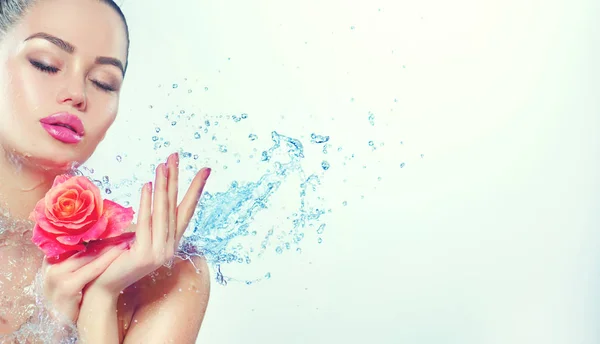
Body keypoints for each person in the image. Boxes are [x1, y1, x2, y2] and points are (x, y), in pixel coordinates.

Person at [0, 0, 211, 342]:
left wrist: (100, 298)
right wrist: (52, 324)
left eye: (103, 82)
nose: (77, 94)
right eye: (46, 64)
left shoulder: (161, 275)